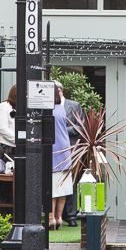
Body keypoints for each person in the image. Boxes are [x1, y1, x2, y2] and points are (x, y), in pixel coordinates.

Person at [54, 80, 85, 227]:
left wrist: (61, 131)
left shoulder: (74, 105)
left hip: (72, 148)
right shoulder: (49, 106)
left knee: (69, 182)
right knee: (55, 182)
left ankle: (71, 215)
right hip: (53, 149)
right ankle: (56, 216)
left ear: (61, 90)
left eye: (58, 89)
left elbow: (80, 127)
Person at [50, 87, 73, 229]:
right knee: (63, 187)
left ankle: (51, 217)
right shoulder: (61, 109)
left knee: (51, 188)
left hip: (53, 149)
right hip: (65, 149)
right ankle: (59, 217)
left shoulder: (48, 111)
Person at [0, 84, 16, 163]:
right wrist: (18, 139)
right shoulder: (4, 106)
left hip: (18, 146)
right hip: (4, 146)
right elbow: (2, 128)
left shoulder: (23, 107)